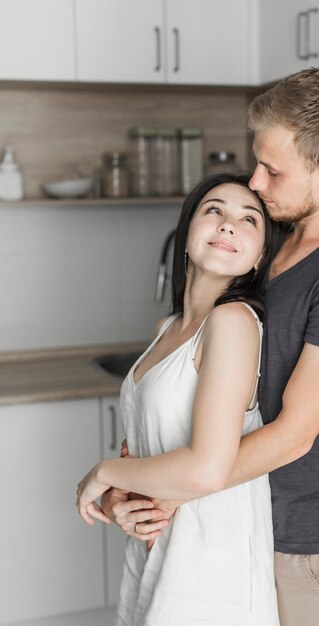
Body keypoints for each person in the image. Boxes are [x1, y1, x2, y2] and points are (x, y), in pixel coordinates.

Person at [114, 68, 319, 626]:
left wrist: (171, 488)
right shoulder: (272, 246)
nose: (256, 183)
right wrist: (145, 480)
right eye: (257, 162)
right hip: (237, 523)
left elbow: (293, 436)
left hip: (311, 548)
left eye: (273, 170)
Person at [76, 172, 282, 625]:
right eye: (214, 211)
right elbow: (151, 451)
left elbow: (207, 469)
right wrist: (119, 499)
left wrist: (104, 471)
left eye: (249, 220)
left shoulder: (233, 322)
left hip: (210, 571)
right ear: (187, 235)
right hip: (158, 558)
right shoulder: (166, 331)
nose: (229, 224)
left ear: (258, 257)